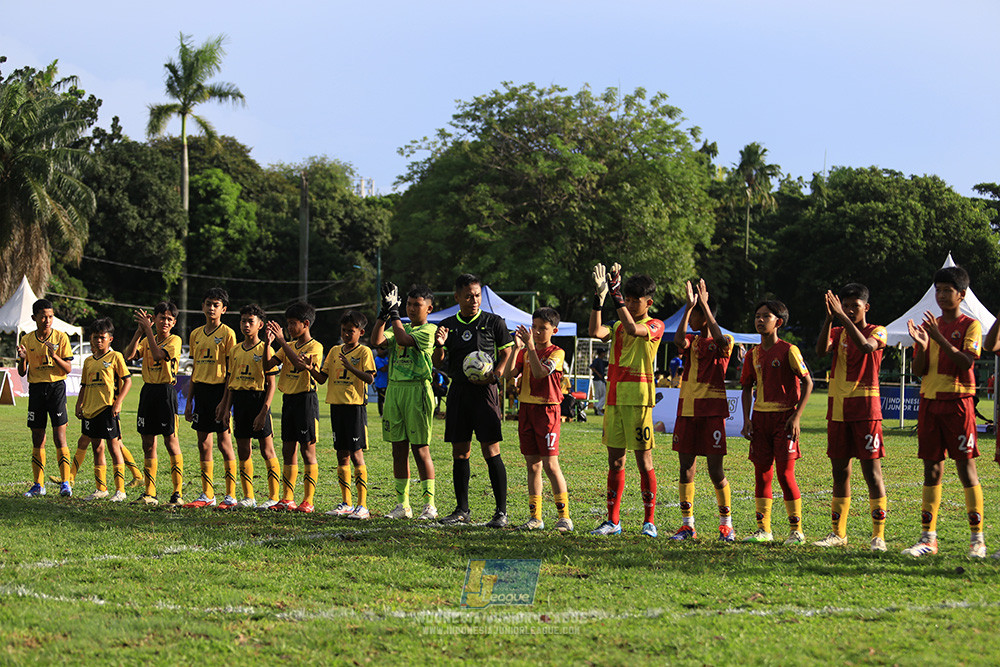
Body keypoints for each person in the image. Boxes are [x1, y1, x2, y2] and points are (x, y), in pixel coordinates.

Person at [905, 266, 985, 557]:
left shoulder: (970, 325)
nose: (940, 295)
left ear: (961, 295)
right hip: (929, 401)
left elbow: (966, 362)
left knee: (966, 468)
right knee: (932, 469)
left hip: (958, 402)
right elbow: (918, 371)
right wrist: (923, 344)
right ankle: (928, 538)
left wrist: (939, 339)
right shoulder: (930, 325)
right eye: (937, 289)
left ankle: (977, 540)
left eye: (947, 290)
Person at [589, 263, 665, 537]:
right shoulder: (618, 323)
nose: (631, 304)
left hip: (639, 400)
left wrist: (616, 293)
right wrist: (598, 300)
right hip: (614, 398)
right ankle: (613, 520)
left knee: (644, 462)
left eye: (636, 301)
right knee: (616, 461)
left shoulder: (655, 324)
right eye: (628, 300)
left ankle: (649, 521)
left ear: (649, 302)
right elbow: (595, 332)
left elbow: (634, 330)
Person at [433, 274, 514, 527]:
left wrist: (496, 375)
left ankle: (501, 512)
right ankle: (462, 511)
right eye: (468, 296)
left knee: (491, 450)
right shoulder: (447, 325)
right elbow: (438, 362)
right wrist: (439, 345)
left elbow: (507, 352)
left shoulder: (494, 322)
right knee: (460, 452)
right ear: (457, 297)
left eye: (477, 295)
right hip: (458, 392)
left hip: (485, 392)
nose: (474, 300)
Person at [814, 284, 889, 552]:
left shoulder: (878, 331)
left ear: (866, 308)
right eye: (844, 305)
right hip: (837, 410)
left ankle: (878, 536)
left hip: (867, 411)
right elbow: (821, 351)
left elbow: (867, 347)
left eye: (854, 306)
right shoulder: (837, 330)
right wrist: (828, 318)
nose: (848, 310)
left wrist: (842, 318)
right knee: (839, 471)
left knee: (872, 473)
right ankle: (838, 533)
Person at [740, 299, 813, 545]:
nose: (759, 320)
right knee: (762, 474)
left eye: (766, 316)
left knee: (785, 474)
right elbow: (746, 388)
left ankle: (796, 531)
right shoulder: (752, 354)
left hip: (784, 419)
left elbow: (808, 382)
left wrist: (796, 416)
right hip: (760, 419)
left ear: (778, 322)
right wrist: (747, 419)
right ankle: (764, 530)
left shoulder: (789, 350)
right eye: (757, 316)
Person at [669, 279, 736, 542]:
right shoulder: (690, 340)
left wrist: (704, 306)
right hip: (687, 410)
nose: (693, 320)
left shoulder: (725, 340)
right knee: (686, 468)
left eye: (696, 315)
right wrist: (687, 308)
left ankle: (726, 524)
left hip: (711, 412)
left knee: (715, 471)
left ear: (706, 316)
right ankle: (688, 525)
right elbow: (677, 339)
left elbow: (719, 338)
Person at [501, 307, 573, 532]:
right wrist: (516, 348)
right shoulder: (524, 351)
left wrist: (530, 347)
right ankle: (536, 517)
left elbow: (542, 373)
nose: (538, 332)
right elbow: (509, 374)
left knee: (551, 465)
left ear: (555, 330)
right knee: (532, 466)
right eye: (535, 327)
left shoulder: (557, 353)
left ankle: (564, 517)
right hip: (526, 410)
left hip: (547, 412)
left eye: (543, 328)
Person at [371, 283, 438, 521]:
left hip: (417, 391)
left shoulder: (429, 330)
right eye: (408, 304)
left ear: (429, 308)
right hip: (395, 390)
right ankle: (403, 505)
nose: (411, 309)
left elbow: (402, 338)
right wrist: (383, 313)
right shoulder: (401, 323)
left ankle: (429, 504)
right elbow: (377, 341)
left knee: (420, 449)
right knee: (397, 450)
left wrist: (395, 312)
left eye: (417, 305)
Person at [311, 311, 376, 519]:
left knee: (357, 454)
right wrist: (309, 368)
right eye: (344, 330)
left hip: (354, 407)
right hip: (336, 407)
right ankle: (346, 502)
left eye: (351, 331)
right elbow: (322, 379)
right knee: (342, 454)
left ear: (361, 332)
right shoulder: (334, 351)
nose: (347, 334)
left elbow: (369, 379)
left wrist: (351, 367)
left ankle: (362, 505)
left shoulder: (364, 352)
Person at [216, 304, 280, 509]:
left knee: (266, 449)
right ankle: (249, 496)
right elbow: (230, 382)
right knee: (243, 450)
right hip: (240, 402)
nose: (245, 325)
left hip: (259, 400)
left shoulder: (266, 350)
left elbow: (272, 384)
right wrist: (226, 407)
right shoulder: (235, 351)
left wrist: (264, 411)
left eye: (250, 321)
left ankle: (274, 496)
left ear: (260, 325)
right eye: (243, 321)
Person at [265, 302, 323, 513]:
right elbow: (267, 365)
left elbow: (300, 365)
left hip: (306, 400)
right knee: (288, 449)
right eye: (287, 324)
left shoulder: (315, 346)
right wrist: (268, 343)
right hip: (289, 400)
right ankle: (287, 498)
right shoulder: (287, 345)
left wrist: (281, 340)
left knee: (308, 450)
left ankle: (308, 500)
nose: (288, 328)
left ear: (305, 324)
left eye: (292, 324)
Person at [183, 287, 238, 509]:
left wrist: (226, 403)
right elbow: (195, 368)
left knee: (224, 443)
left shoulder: (228, 334)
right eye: (208, 304)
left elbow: (231, 371)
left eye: (216, 305)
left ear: (223, 309)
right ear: (202, 306)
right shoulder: (195, 334)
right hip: (201, 393)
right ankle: (207, 494)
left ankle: (231, 495)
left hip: (220, 392)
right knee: (203, 443)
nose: (211, 308)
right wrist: (189, 400)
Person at [125, 302, 184, 506]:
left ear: (174, 322)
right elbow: (129, 355)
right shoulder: (149, 337)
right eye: (162, 317)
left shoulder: (175, 340)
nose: (165, 322)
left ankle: (177, 493)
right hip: (148, 391)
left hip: (166, 392)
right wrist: (139, 332)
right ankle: (150, 492)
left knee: (171, 441)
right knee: (148, 443)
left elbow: (159, 355)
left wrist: (148, 330)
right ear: (156, 319)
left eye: (169, 319)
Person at [17, 299, 74, 497]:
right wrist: (23, 359)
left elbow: (67, 368)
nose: (47, 320)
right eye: (43, 316)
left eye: (50, 316)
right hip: (36, 390)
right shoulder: (27, 340)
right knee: (37, 437)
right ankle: (38, 485)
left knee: (59, 437)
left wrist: (55, 355)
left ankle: (65, 483)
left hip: (56, 388)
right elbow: (22, 372)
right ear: (34, 318)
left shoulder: (61, 337)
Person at [75, 318, 132, 502]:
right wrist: (79, 404)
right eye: (95, 337)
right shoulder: (88, 361)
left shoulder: (116, 357)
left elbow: (128, 381)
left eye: (102, 337)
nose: (98, 341)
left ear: (110, 339)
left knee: (114, 448)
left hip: (108, 408)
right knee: (96, 448)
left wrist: (118, 402)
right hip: (90, 410)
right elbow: (84, 385)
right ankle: (101, 489)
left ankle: (120, 490)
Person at [589, 348, 608, 416]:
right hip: (598, 380)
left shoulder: (602, 361)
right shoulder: (597, 360)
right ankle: (598, 407)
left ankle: (597, 409)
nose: (604, 354)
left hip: (600, 380)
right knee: (604, 395)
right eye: (603, 353)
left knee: (599, 396)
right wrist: (598, 374)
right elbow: (592, 367)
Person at [373, 347, 389, 416]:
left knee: (388, 399)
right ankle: (381, 413)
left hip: (387, 382)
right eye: (381, 349)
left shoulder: (386, 358)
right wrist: (390, 364)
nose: (383, 350)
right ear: (377, 350)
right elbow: (383, 369)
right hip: (380, 383)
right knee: (381, 399)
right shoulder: (377, 359)